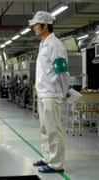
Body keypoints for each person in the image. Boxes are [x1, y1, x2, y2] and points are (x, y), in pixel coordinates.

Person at [28, 11, 70, 173]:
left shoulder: (55, 45)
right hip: (43, 93)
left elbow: (61, 71)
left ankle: (56, 164)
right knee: (45, 129)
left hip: (52, 93)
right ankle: (47, 157)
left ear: (45, 25)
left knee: (54, 130)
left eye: (36, 25)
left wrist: (64, 90)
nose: (34, 28)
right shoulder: (43, 43)